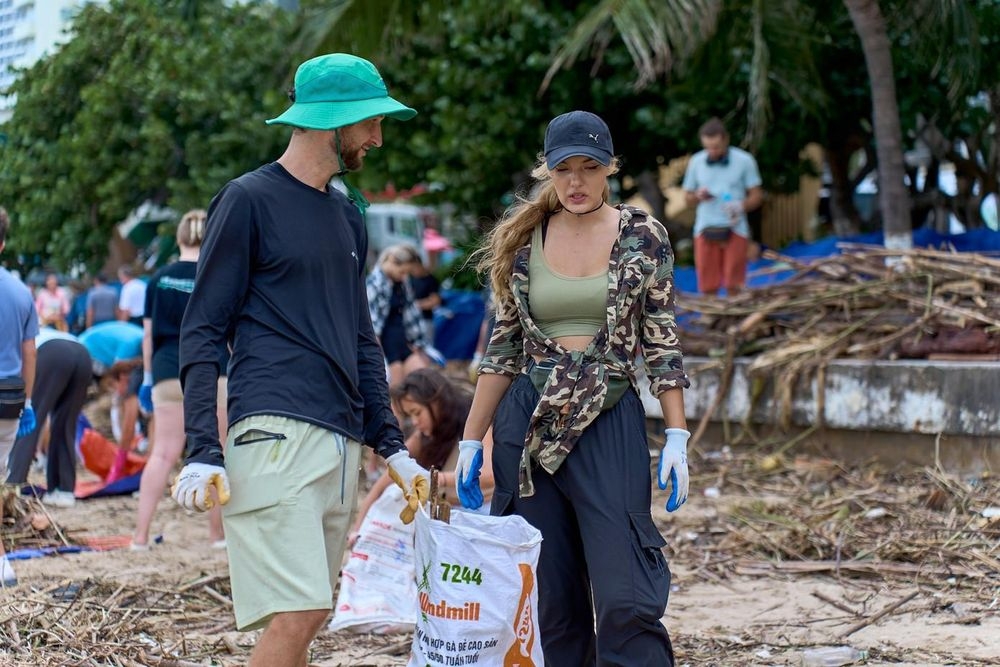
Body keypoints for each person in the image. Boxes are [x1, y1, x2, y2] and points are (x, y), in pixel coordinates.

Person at [171, 53, 430, 667]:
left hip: (340, 437)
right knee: (302, 610)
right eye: (369, 121)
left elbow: (362, 337)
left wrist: (390, 445)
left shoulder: (347, 213)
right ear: (329, 121)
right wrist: (202, 449)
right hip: (274, 429)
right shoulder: (247, 200)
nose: (378, 136)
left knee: (309, 613)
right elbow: (202, 328)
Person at [457, 110, 691, 666]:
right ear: (547, 171)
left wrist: (677, 435)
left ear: (611, 167)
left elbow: (662, 340)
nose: (577, 182)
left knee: (625, 592)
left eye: (590, 167)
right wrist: (471, 440)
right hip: (528, 426)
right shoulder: (524, 239)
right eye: (564, 169)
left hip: (608, 419)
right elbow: (503, 349)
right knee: (548, 599)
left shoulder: (642, 234)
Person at [132, 209, 228, 550]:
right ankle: (217, 536)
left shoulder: (158, 279)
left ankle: (140, 537)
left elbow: (147, 336)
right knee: (217, 452)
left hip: (166, 370)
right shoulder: (217, 275)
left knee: (161, 453)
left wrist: (145, 378)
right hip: (214, 370)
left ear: (179, 238)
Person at [348, 368, 494, 546]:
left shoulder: (472, 424)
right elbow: (385, 481)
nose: (415, 421)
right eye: (410, 416)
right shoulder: (424, 436)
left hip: (481, 516)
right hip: (445, 517)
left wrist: (437, 479)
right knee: (393, 491)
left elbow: (489, 476)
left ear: (436, 402)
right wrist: (358, 529)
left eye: (417, 412)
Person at [6, 327, 92, 508]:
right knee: (66, 423)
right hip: (82, 353)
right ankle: (63, 490)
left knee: (28, 419)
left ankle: (13, 488)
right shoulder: (27, 326)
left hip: (51, 353)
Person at [0, 205, 39, 587]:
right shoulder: (20, 290)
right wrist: (28, 401)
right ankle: (1, 563)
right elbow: (30, 351)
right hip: (8, 399)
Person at [681, 117, 764, 296]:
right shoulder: (696, 161)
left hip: (735, 227)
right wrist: (697, 196)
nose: (712, 152)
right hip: (705, 227)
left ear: (726, 139)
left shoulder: (744, 160)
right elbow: (687, 199)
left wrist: (740, 205)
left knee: (735, 283)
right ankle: (710, 320)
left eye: (716, 147)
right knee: (707, 282)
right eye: (708, 147)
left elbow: (757, 195)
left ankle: (733, 319)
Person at [78, 320, 145, 483]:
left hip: (97, 348)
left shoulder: (140, 343)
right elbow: (117, 375)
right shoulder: (132, 344)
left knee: (126, 398)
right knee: (121, 398)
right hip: (87, 350)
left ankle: (126, 444)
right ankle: (120, 447)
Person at [366, 243, 432, 388]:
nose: (404, 276)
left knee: (424, 383)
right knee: (396, 391)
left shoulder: (402, 283)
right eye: (402, 272)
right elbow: (371, 325)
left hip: (404, 342)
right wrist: (378, 357)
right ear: (391, 261)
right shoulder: (374, 284)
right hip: (387, 348)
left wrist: (418, 344)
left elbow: (411, 315)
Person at [408, 253, 441, 344]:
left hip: (425, 319)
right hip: (409, 320)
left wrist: (416, 305)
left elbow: (435, 301)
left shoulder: (430, 280)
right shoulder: (407, 279)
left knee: (427, 346)